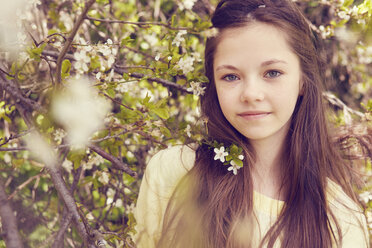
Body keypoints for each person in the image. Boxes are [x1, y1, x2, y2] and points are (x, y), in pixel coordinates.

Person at [134, 0, 370, 247]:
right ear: (213, 84)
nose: (251, 94)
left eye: (272, 73)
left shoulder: (342, 221)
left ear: (303, 80)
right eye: (231, 76)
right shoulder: (174, 173)